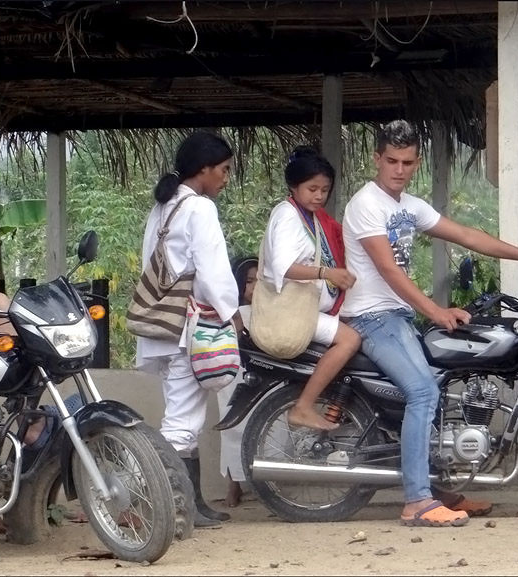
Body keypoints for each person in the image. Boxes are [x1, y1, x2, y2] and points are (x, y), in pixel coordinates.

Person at [341, 120, 518, 527]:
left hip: (397, 317)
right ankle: (417, 501)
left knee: (439, 383)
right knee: (422, 392)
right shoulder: (365, 204)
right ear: (376, 160)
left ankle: (437, 487)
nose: (398, 169)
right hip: (371, 317)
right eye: (391, 161)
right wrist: (435, 311)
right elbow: (389, 271)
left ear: (416, 163)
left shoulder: (409, 207)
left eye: (406, 162)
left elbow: (465, 235)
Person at [134, 131, 242, 528]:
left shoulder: (163, 207)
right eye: (224, 170)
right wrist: (232, 312)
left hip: (162, 324)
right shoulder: (199, 209)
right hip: (188, 326)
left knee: (183, 410)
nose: (226, 179)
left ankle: (192, 503)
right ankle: (174, 507)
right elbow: (213, 271)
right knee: (182, 420)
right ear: (205, 169)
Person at [261, 146, 360, 430]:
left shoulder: (308, 216)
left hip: (310, 308)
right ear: (294, 186)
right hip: (292, 311)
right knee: (350, 340)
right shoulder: (287, 216)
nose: (319, 196)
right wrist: (326, 272)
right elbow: (283, 266)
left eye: (324, 190)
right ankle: (303, 406)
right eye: (312, 188)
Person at [217, 255, 259, 507]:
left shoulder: (272, 310)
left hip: (262, 374)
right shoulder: (228, 313)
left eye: (258, 281)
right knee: (233, 427)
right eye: (248, 281)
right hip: (234, 374)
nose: (253, 287)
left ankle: (265, 482)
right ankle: (233, 483)